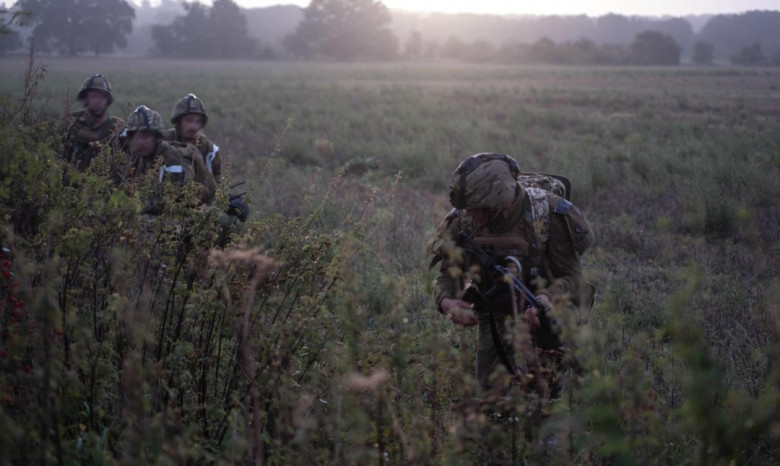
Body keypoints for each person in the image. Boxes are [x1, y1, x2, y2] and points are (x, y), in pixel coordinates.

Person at [428, 153, 594, 396]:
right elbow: (447, 274)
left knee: (545, 393)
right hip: (495, 310)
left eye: (478, 210)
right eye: (467, 208)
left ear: (498, 200)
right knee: (489, 397)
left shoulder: (549, 216)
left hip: (547, 310)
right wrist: (446, 302)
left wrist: (547, 299)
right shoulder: (464, 219)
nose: (470, 214)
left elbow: (573, 278)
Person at [124, 105, 216, 214]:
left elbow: (169, 200)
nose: (140, 142)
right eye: (136, 137)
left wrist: (132, 210)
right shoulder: (139, 156)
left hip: (196, 210)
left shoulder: (172, 158)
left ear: (157, 137)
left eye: (145, 136)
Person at [61, 73, 125, 172]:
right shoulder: (72, 121)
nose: (98, 101)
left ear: (107, 100)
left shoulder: (116, 127)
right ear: (85, 99)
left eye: (102, 97)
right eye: (94, 96)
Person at [166, 93, 223, 183]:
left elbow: (217, 185)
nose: (194, 126)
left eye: (198, 121)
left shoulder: (210, 151)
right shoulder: (164, 141)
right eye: (189, 120)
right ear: (179, 121)